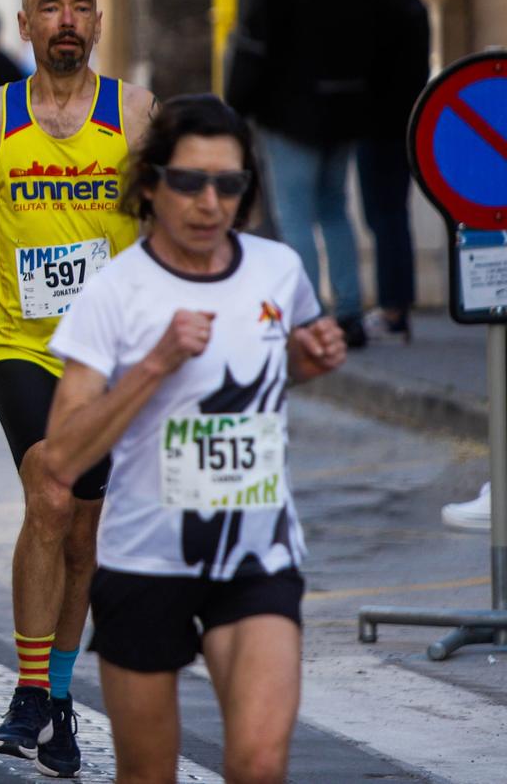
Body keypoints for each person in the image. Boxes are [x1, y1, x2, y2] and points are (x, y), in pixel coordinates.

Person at [44, 94, 347, 784]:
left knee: (261, 763)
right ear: (150, 184)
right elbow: (61, 454)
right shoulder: (116, 292)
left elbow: (267, 370)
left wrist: (309, 358)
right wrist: (153, 362)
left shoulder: (279, 269)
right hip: (147, 559)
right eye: (189, 182)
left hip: (257, 556)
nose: (210, 202)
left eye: (230, 185)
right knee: (149, 775)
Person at [0, 0, 157, 775]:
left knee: (83, 532)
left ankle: (56, 695)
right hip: (20, 342)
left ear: (98, 24)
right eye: (49, 8)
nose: (66, 21)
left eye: (81, 8)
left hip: (110, 357)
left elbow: (175, 208)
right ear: (23, 26)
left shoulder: (134, 113)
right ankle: (32, 689)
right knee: (49, 494)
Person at [226, 0, 384, 347]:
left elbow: (253, 53)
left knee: (295, 217)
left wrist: (236, 111)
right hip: (346, 118)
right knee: (336, 210)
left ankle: (309, 315)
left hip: (290, 120)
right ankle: (350, 313)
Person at [352, 0, 430, 344]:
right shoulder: (413, 4)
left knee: (379, 216)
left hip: (374, 125)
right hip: (410, 123)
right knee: (395, 215)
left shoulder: (372, 7)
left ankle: (391, 308)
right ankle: (400, 304)